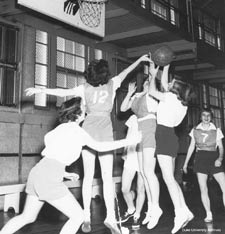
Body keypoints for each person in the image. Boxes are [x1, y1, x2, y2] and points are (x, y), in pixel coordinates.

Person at [25, 55, 149, 234]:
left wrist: (40, 90)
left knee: (88, 176)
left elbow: (63, 92)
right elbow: (127, 71)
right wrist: (140, 60)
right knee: (106, 178)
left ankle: (86, 216)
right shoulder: (113, 83)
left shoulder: (84, 88)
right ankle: (111, 217)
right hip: (105, 130)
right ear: (105, 74)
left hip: (88, 130)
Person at [0, 97, 141, 234]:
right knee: (78, 216)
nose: (86, 110)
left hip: (37, 173)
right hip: (49, 178)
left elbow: (50, 154)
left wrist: (64, 173)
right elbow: (100, 146)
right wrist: (128, 141)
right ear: (78, 113)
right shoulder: (77, 131)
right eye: (84, 107)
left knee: (27, 217)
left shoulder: (58, 130)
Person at [148, 60, 194, 234]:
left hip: (163, 135)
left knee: (168, 179)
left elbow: (152, 91)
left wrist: (153, 75)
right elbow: (165, 86)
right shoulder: (183, 104)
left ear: (176, 88)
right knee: (172, 179)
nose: (169, 83)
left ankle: (179, 214)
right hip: (172, 137)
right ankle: (186, 210)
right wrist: (165, 67)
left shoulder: (168, 97)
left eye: (172, 83)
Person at [120, 75, 161, 230]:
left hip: (148, 137)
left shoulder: (153, 99)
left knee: (142, 183)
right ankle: (135, 209)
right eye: (146, 80)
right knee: (127, 186)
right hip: (135, 146)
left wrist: (154, 74)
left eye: (151, 81)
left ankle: (143, 212)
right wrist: (130, 92)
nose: (148, 82)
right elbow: (123, 108)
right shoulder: (137, 99)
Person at [183, 108, 225, 222]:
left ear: (211, 117)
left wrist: (220, 158)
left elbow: (221, 147)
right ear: (200, 117)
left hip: (214, 157)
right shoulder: (195, 130)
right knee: (203, 188)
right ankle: (208, 213)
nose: (206, 117)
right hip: (200, 158)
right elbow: (191, 147)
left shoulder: (217, 130)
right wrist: (185, 164)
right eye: (203, 115)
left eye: (208, 115)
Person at [120, 115, 145, 230]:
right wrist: (125, 150)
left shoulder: (150, 116)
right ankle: (131, 208)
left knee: (140, 188)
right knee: (124, 188)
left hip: (143, 154)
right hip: (131, 154)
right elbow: (128, 134)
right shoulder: (133, 117)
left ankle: (137, 215)